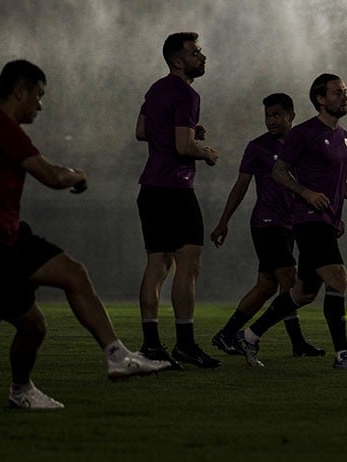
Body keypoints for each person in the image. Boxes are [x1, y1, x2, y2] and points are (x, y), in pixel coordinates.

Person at [0, 59, 171, 409]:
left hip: (9, 237)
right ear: (20, 92)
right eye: (39, 96)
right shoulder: (3, 128)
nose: (41, 105)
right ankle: (20, 392)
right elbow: (53, 177)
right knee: (35, 326)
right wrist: (78, 175)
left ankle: (117, 356)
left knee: (74, 272)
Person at [236, 73, 347, 369]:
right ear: (320, 100)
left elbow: (337, 179)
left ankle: (249, 335)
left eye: (345, 92)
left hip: (327, 220)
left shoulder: (344, 137)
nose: (344, 96)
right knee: (338, 278)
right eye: (337, 93)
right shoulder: (304, 133)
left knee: (303, 292)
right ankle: (343, 355)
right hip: (308, 220)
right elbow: (279, 172)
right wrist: (306, 193)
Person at [209, 93, 324, 358]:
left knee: (266, 286)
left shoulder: (301, 145)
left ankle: (226, 334)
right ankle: (296, 343)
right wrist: (223, 221)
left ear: (291, 115)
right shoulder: (257, 147)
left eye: (276, 115)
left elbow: (316, 183)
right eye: (267, 116)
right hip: (266, 223)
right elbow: (240, 186)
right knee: (289, 279)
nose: (270, 121)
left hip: (290, 224)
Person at [134, 32, 221, 369]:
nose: (201, 56)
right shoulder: (187, 93)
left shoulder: (156, 89)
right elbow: (184, 148)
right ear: (177, 61)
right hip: (175, 188)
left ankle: (151, 345)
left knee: (158, 266)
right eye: (194, 52)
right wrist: (207, 152)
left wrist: (185, 130)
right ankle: (185, 344)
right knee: (189, 265)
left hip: (150, 188)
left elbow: (142, 131)